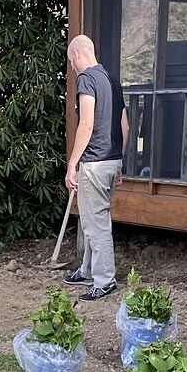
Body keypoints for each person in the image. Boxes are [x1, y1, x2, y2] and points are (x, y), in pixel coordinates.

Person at [63, 35, 128, 301]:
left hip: (94, 163)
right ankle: (88, 270)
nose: (72, 68)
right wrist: (119, 161)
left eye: (71, 63)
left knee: (96, 224)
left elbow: (86, 124)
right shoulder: (112, 80)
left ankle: (104, 281)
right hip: (112, 162)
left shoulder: (87, 79)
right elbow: (125, 127)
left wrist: (72, 163)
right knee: (92, 221)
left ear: (77, 55)